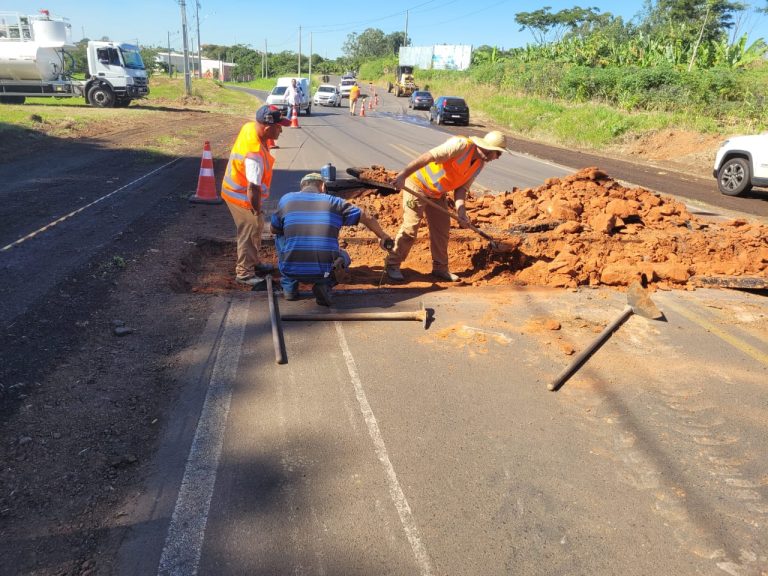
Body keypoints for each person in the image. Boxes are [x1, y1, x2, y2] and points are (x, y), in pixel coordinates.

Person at [385, 130, 507, 282]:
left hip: (436, 194)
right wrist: (403, 175)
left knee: (441, 229)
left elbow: (461, 189)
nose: (498, 157)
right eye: (498, 153)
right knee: (411, 227)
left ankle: (440, 268)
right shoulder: (461, 145)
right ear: (490, 149)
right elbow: (429, 156)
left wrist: (461, 213)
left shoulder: (479, 164)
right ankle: (392, 264)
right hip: (417, 185)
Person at [270, 172, 393, 306]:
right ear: (323, 186)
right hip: (324, 272)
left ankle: (289, 287)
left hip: (291, 270)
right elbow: (366, 217)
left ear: (302, 187)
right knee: (344, 257)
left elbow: (273, 229)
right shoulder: (334, 203)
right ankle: (324, 283)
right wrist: (383, 236)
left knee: (280, 234)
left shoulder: (286, 200)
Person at [221, 104, 290, 286]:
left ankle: (254, 261)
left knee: (257, 225)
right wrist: (256, 209)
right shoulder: (254, 156)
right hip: (241, 196)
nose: (281, 130)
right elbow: (253, 188)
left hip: (237, 189)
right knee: (250, 228)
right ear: (267, 129)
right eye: (279, 127)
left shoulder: (251, 127)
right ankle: (244, 273)